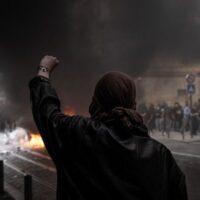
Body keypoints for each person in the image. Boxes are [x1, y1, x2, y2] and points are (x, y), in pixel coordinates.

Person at [29, 55, 188, 200]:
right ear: (132, 103)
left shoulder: (78, 133)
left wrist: (44, 71)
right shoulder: (159, 154)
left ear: (96, 101)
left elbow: (47, 113)